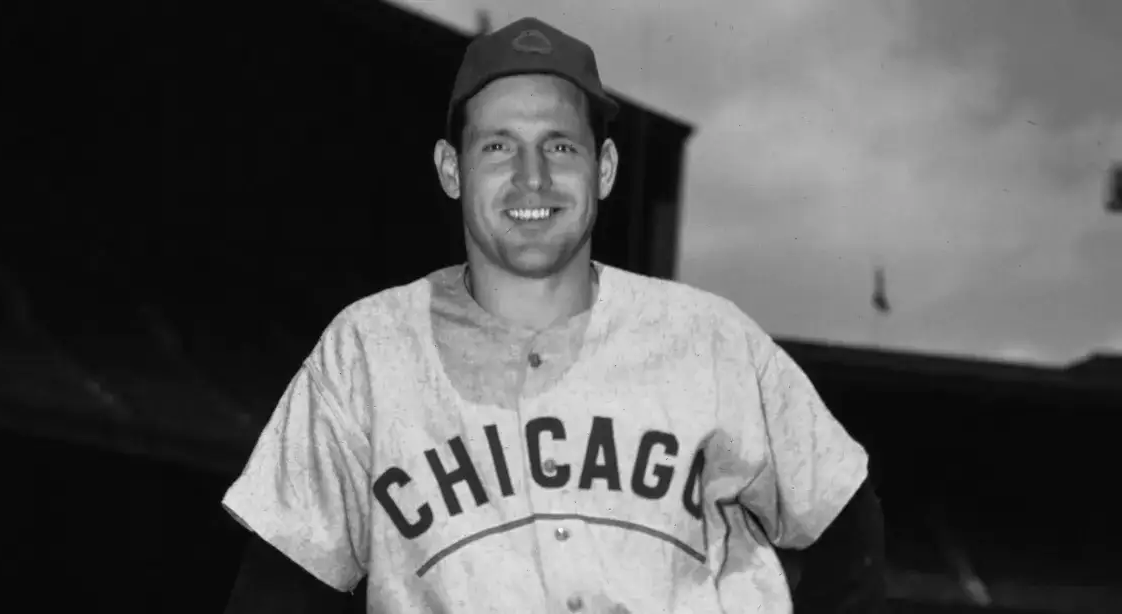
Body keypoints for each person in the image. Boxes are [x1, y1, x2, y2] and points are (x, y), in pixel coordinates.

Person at [221, 16, 886, 614]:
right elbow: (281, 582)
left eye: (561, 147)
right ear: (452, 170)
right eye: (499, 147)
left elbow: (842, 519)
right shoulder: (366, 352)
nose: (532, 177)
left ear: (605, 168)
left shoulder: (711, 340)